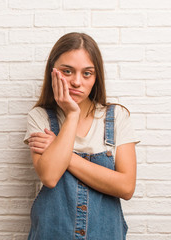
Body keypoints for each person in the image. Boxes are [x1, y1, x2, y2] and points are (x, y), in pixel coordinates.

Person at [23, 32, 140, 240]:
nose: (77, 82)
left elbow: (126, 187)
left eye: (87, 73)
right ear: (53, 72)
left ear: (96, 77)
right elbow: (49, 177)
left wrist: (60, 151)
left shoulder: (116, 117)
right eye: (67, 71)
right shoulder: (40, 117)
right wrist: (72, 114)